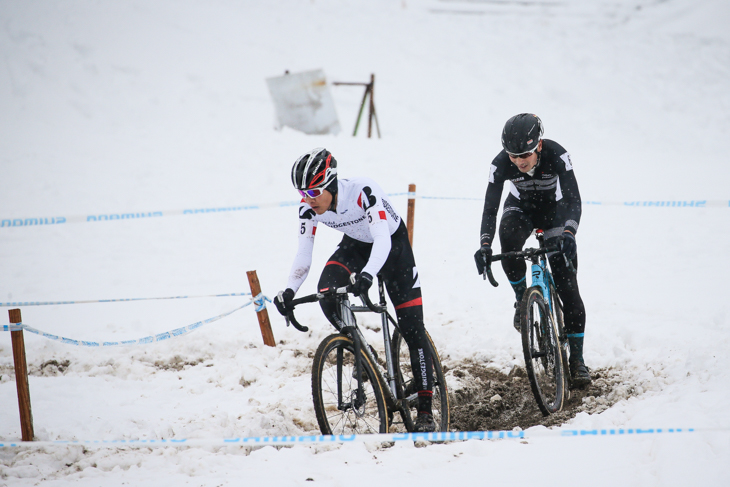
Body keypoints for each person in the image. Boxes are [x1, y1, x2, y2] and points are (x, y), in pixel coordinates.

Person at [273, 147, 437, 431]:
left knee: (412, 328)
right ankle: (364, 353)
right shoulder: (308, 209)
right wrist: (289, 290)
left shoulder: (363, 191)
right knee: (327, 292)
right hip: (356, 247)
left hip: (392, 247)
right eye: (302, 194)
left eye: (313, 193)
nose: (307, 201)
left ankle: (425, 409)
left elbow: (382, 240)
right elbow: (304, 254)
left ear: (330, 184)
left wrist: (368, 275)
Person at [473, 114, 591, 387]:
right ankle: (521, 298)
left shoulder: (557, 155)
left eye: (524, 153)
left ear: (538, 146)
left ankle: (577, 359)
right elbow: (490, 208)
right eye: (512, 156)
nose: (518, 161)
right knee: (508, 238)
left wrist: (569, 233)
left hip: (554, 213)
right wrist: (485, 245)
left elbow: (573, 199)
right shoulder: (500, 164)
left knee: (568, 287)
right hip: (521, 210)